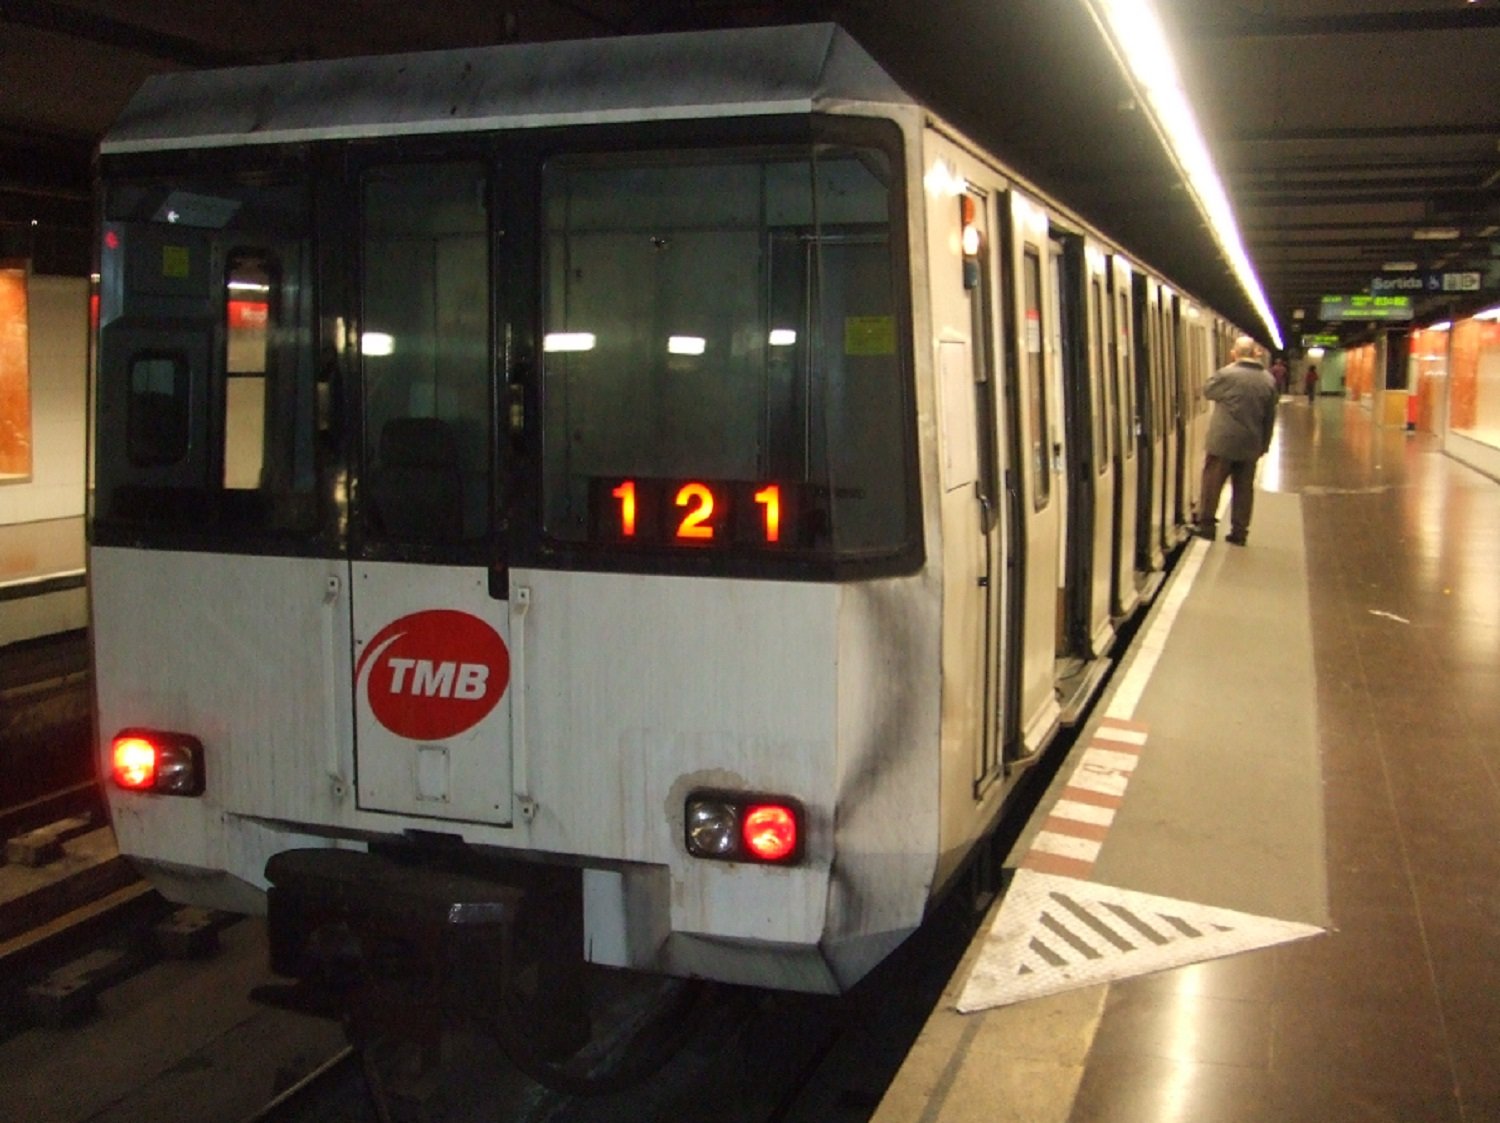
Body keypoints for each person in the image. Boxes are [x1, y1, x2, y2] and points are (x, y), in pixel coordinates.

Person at [1192, 335, 1279, 546]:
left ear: (1235, 353)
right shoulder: (1268, 380)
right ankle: (1239, 532)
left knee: (1212, 485)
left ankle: (1207, 527)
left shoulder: (1227, 375)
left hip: (1222, 442)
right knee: (1243, 489)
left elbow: (1208, 391)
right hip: (1251, 443)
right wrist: (1264, 445)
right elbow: (1270, 417)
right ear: (1255, 354)